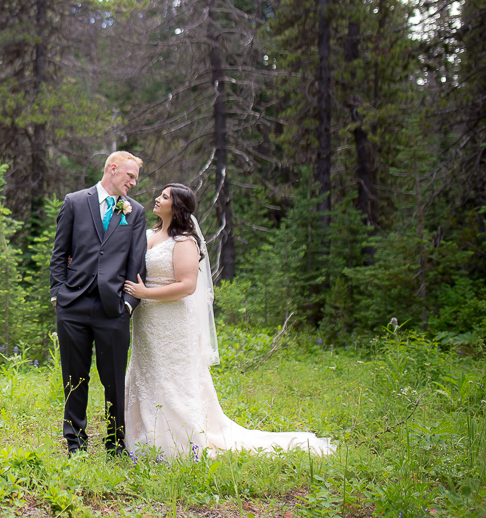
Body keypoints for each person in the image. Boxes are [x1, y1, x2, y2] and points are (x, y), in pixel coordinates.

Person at [122, 183, 335, 459]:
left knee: (172, 378)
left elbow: (187, 286)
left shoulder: (184, 241)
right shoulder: (149, 234)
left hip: (171, 320)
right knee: (146, 372)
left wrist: (146, 292)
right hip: (147, 320)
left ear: (177, 207)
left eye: (164, 197)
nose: (157, 198)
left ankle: (179, 441)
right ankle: (144, 435)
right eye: (160, 195)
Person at [49, 151, 148, 455]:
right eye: (130, 176)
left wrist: (128, 304)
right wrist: (58, 295)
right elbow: (59, 253)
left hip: (112, 309)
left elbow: (137, 261)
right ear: (112, 168)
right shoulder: (75, 202)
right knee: (74, 379)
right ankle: (75, 443)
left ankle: (115, 443)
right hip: (73, 305)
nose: (133, 183)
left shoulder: (135, 212)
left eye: (135, 179)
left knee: (114, 381)